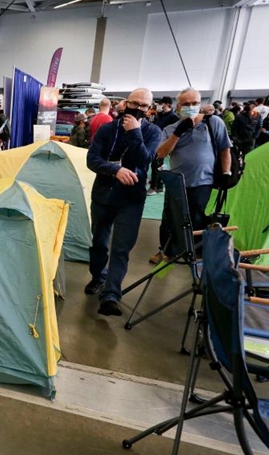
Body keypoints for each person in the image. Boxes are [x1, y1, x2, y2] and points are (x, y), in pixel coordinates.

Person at [85, 88, 162, 317]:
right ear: (125, 103)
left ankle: (111, 295)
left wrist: (135, 133)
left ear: (149, 109)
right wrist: (115, 170)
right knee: (98, 242)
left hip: (131, 199)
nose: (138, 109)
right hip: (103, 195)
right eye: (135, 103)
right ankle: (98, 277)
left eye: (143, 106)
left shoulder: (153, 132)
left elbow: (145, 160)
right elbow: (92, 159)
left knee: (121, 248)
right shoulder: (107, 129)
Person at [151, 88, 232, 262]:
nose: (191, 107)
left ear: (200, 104)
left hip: (203, 180)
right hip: (177, 182)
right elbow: (161, 153)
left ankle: (193, 252)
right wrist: (178, 133)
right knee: (169, 217)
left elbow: (225, 148)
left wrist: (226, 172)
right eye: (186, 104)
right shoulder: (171, 128)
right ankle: (166, 251)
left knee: (197, 217)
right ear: (179, 106)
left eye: (194, 103)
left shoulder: (214, 123)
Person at [146, 96, 180, 196]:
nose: (159, 105)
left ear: (167, 104)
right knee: (157, 165)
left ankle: (154, 187)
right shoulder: (160, 115)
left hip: (163, 145)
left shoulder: (173, 117)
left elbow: (175, 133)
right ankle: (159, 185)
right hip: (155, 142)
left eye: (162, 104)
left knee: (156, 165)